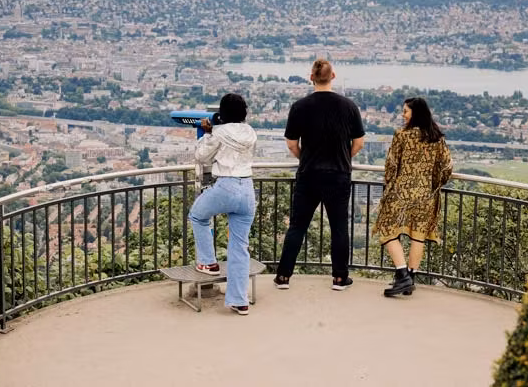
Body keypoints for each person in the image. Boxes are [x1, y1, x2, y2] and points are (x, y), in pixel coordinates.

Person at [274, 59, 365, 291]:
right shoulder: (349, 106)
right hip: (338, 174)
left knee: (297, 226)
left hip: (309, 174)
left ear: (310, 77)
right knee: (339, 227)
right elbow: (359, 143)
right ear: (332, 76)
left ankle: (283, 276)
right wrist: (344, 157)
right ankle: (339, 277)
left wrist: (305, 158)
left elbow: (292, 144)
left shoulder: (300, 106)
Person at [374, 97, 453, 297]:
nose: (403, 115)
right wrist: (434, 184)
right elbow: (446, 167)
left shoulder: (402, 135)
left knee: (387, 229)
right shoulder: (436, 138)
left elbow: (391, 165)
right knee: (418, 236)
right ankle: (410, 279)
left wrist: (389, 186)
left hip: (401, 193)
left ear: (414, 113)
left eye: (405, 111)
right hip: (425, 195)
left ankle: (402, 274)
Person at [188, 93, 257, 315]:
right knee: (239, 246)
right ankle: (239, 300)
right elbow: (234, 134)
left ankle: (208, 262)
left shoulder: (219, 133)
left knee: (198, 215)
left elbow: (201, 156)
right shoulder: (250, 133)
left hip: (226, 185)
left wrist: (208, 133)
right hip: (247, 189)